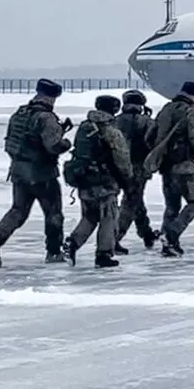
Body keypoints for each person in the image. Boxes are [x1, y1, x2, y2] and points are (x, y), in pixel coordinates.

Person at [0, 78, 73, 266]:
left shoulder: (19, 114)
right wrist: (66, 143)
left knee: (18, 211)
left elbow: (12, 143)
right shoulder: (46, 118)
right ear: (52, 98)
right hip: (43, 174)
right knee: (54, 214)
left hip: (18, 171)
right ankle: (54, 252)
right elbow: (53, 146)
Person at [61, 95, 134, 268]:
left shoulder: (85, 127)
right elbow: (122, 158)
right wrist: (128, 179)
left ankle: (72, 243)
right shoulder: (110, 129)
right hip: (104, 181)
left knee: (89, 216)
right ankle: (104, 254)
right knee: (108, 217)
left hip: (84, 179)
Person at [147, 81, 194, 257]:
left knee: (171, 206)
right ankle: (172, 234)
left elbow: (150, 135)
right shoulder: (191, 113)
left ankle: (168, 244)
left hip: (165, 165)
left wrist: (159, 151)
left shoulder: (165, 110)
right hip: (185, 166)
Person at [113, 89, 158, 252]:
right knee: (131, 202)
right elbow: (154, 143)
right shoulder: (146, 122)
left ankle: (146, 233)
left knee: (135, 199)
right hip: (139, 166)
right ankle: (115, 237)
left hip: (116, 167)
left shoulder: (115, 121)